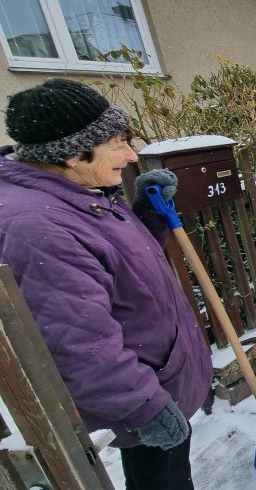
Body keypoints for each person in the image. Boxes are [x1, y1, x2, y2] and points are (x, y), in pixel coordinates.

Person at [0, 78, 213, 489]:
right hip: (142, 393)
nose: (131, 155)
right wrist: (144, 407)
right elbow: (76, 343)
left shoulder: (78, 194)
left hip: (157, 377)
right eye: (117, 142)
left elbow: (118, 265)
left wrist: (147, 214)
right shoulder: (38, 225)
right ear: (70, 152)